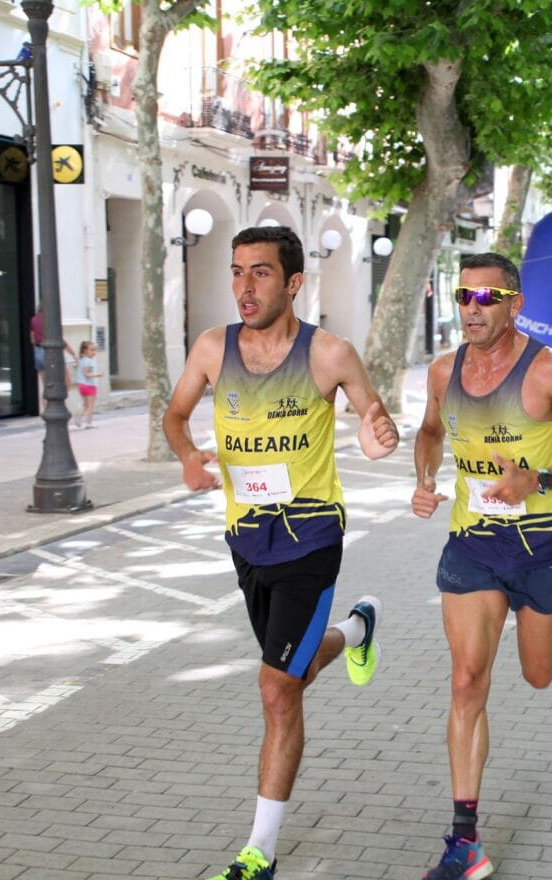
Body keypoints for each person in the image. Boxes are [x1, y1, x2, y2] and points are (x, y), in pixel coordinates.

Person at [162, 225, 399, 880]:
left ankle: (258, 853)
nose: (244, 286)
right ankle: (355, 630)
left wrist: (380, 434)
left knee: (274, 688)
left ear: (294, 282)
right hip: (246, 538)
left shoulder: (329, 354)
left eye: (261, 273)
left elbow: (376, 423)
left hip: (311, 534)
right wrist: (187, 458)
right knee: (287, 676)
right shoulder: (214, 349)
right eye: (237, 272)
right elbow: (175, 415)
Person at [411, 252, 552, 880]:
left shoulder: (548, 371)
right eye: (463, 297)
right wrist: (423, 477)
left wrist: (542, 479)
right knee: (467, 681)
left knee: (537, 675)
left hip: (543, 545)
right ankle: (464, 840)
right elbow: (428, 431)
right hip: (472, 544)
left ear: (514, 303)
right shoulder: (442, 371)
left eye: (487, 297)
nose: (472, 309)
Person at [30, 308, 75, 410]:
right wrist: (73, 353)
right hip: (53, 353)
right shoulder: (51, 320)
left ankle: (46, 410)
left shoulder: (33, 320)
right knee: (67, 381)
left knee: (46, 386)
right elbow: (60, 340)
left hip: (38, 352)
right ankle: (59, 405)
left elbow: (32, 339)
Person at [73, 341, 102, 429]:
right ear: (85, 350)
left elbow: (78, 370)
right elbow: (86, 374)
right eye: (92, 350)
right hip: (89, 385)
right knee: (90, 406)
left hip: (81, 385)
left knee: (85, 405)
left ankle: (79, 414)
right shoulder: (89, 361)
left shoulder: (80, 360)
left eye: (95, 350)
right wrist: (98, 374)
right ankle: (89, 423)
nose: (94, 352)